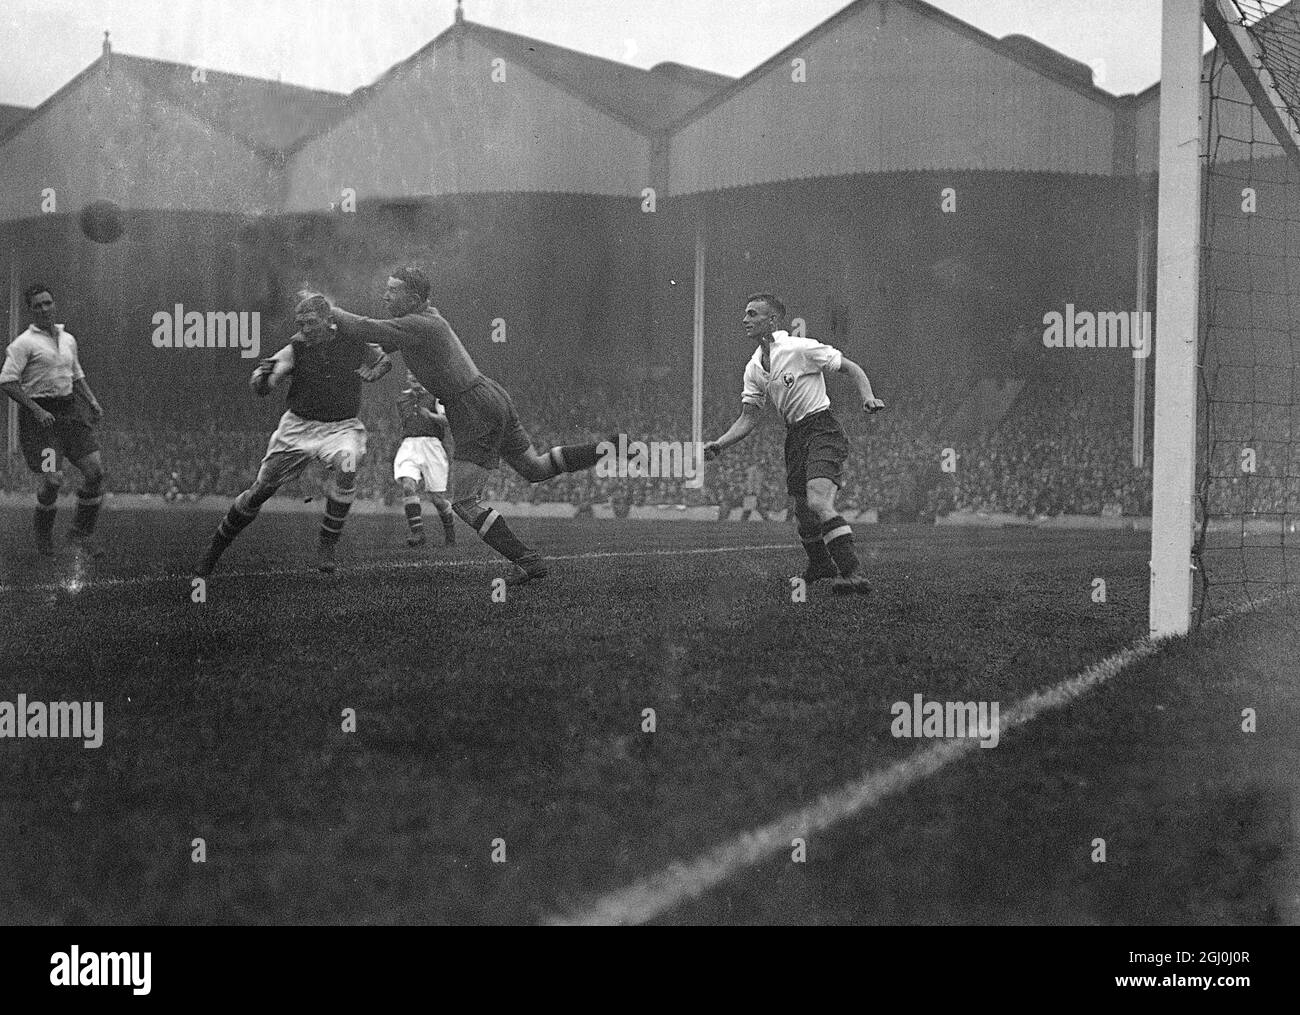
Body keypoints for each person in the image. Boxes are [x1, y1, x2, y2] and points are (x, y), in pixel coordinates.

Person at [329, 265, 606, 585]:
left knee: (462, 501)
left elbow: (367, 328)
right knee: (536, 468)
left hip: (471, 408)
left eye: (393, 290)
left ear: (414, 297)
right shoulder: (423, 321)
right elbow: (377, 345)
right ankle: (609, 446)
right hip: (488, 396)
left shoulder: (420, 324)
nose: (385, 295)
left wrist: (329, 309)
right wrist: (376, 360)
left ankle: (528, 561)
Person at [193, 293, 391, 577]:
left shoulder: (353, 341)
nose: (305, 329)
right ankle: (214, 550)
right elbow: (268, 380)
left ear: (329, 321)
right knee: (260, 492)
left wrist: (376, 371)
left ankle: (327, 544)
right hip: (298, 428)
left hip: (341, 427)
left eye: (311, 323)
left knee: (347, 464)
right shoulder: (296, 348)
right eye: (301, 324)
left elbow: (384, 360)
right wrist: (262, 379)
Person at [704, 293, 884, 594]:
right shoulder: (754, 367)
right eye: (745, 314)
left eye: (752, 314)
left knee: (817, 501)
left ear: (772, 319)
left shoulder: (798, 348)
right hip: (796, 435)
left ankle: (852, 572)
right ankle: (820, 565)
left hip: (821, 428)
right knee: (802, 510)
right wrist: (720, 444)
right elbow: (749, 417)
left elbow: (850, 367)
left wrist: (867, 396)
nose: (744, 319)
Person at [0, 283, 107, 558]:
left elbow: (76, 374)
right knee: (54, 480)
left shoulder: (68, 338)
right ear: (31, 310)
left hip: (70, 413)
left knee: (95, 472)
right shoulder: (23, 344)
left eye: (48, 303)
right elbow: (8, 382)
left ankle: (81, 533)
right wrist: (36, 409)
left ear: (54, 303)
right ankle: (43, 531)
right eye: (38, 305)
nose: (45, 308)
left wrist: (92, 401)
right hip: (42, 422)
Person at [394, 370, 456, 547]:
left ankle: (450, 532)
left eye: (416, 374)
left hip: (432, 446)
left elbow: (447, 421)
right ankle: (417, 533)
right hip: (409, 445)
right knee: (408, 485)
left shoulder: (436, 396)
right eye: (410, 375)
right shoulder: (402, 400)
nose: (413, 377)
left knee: (437, 498)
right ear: (407, 378)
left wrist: (430, 416)